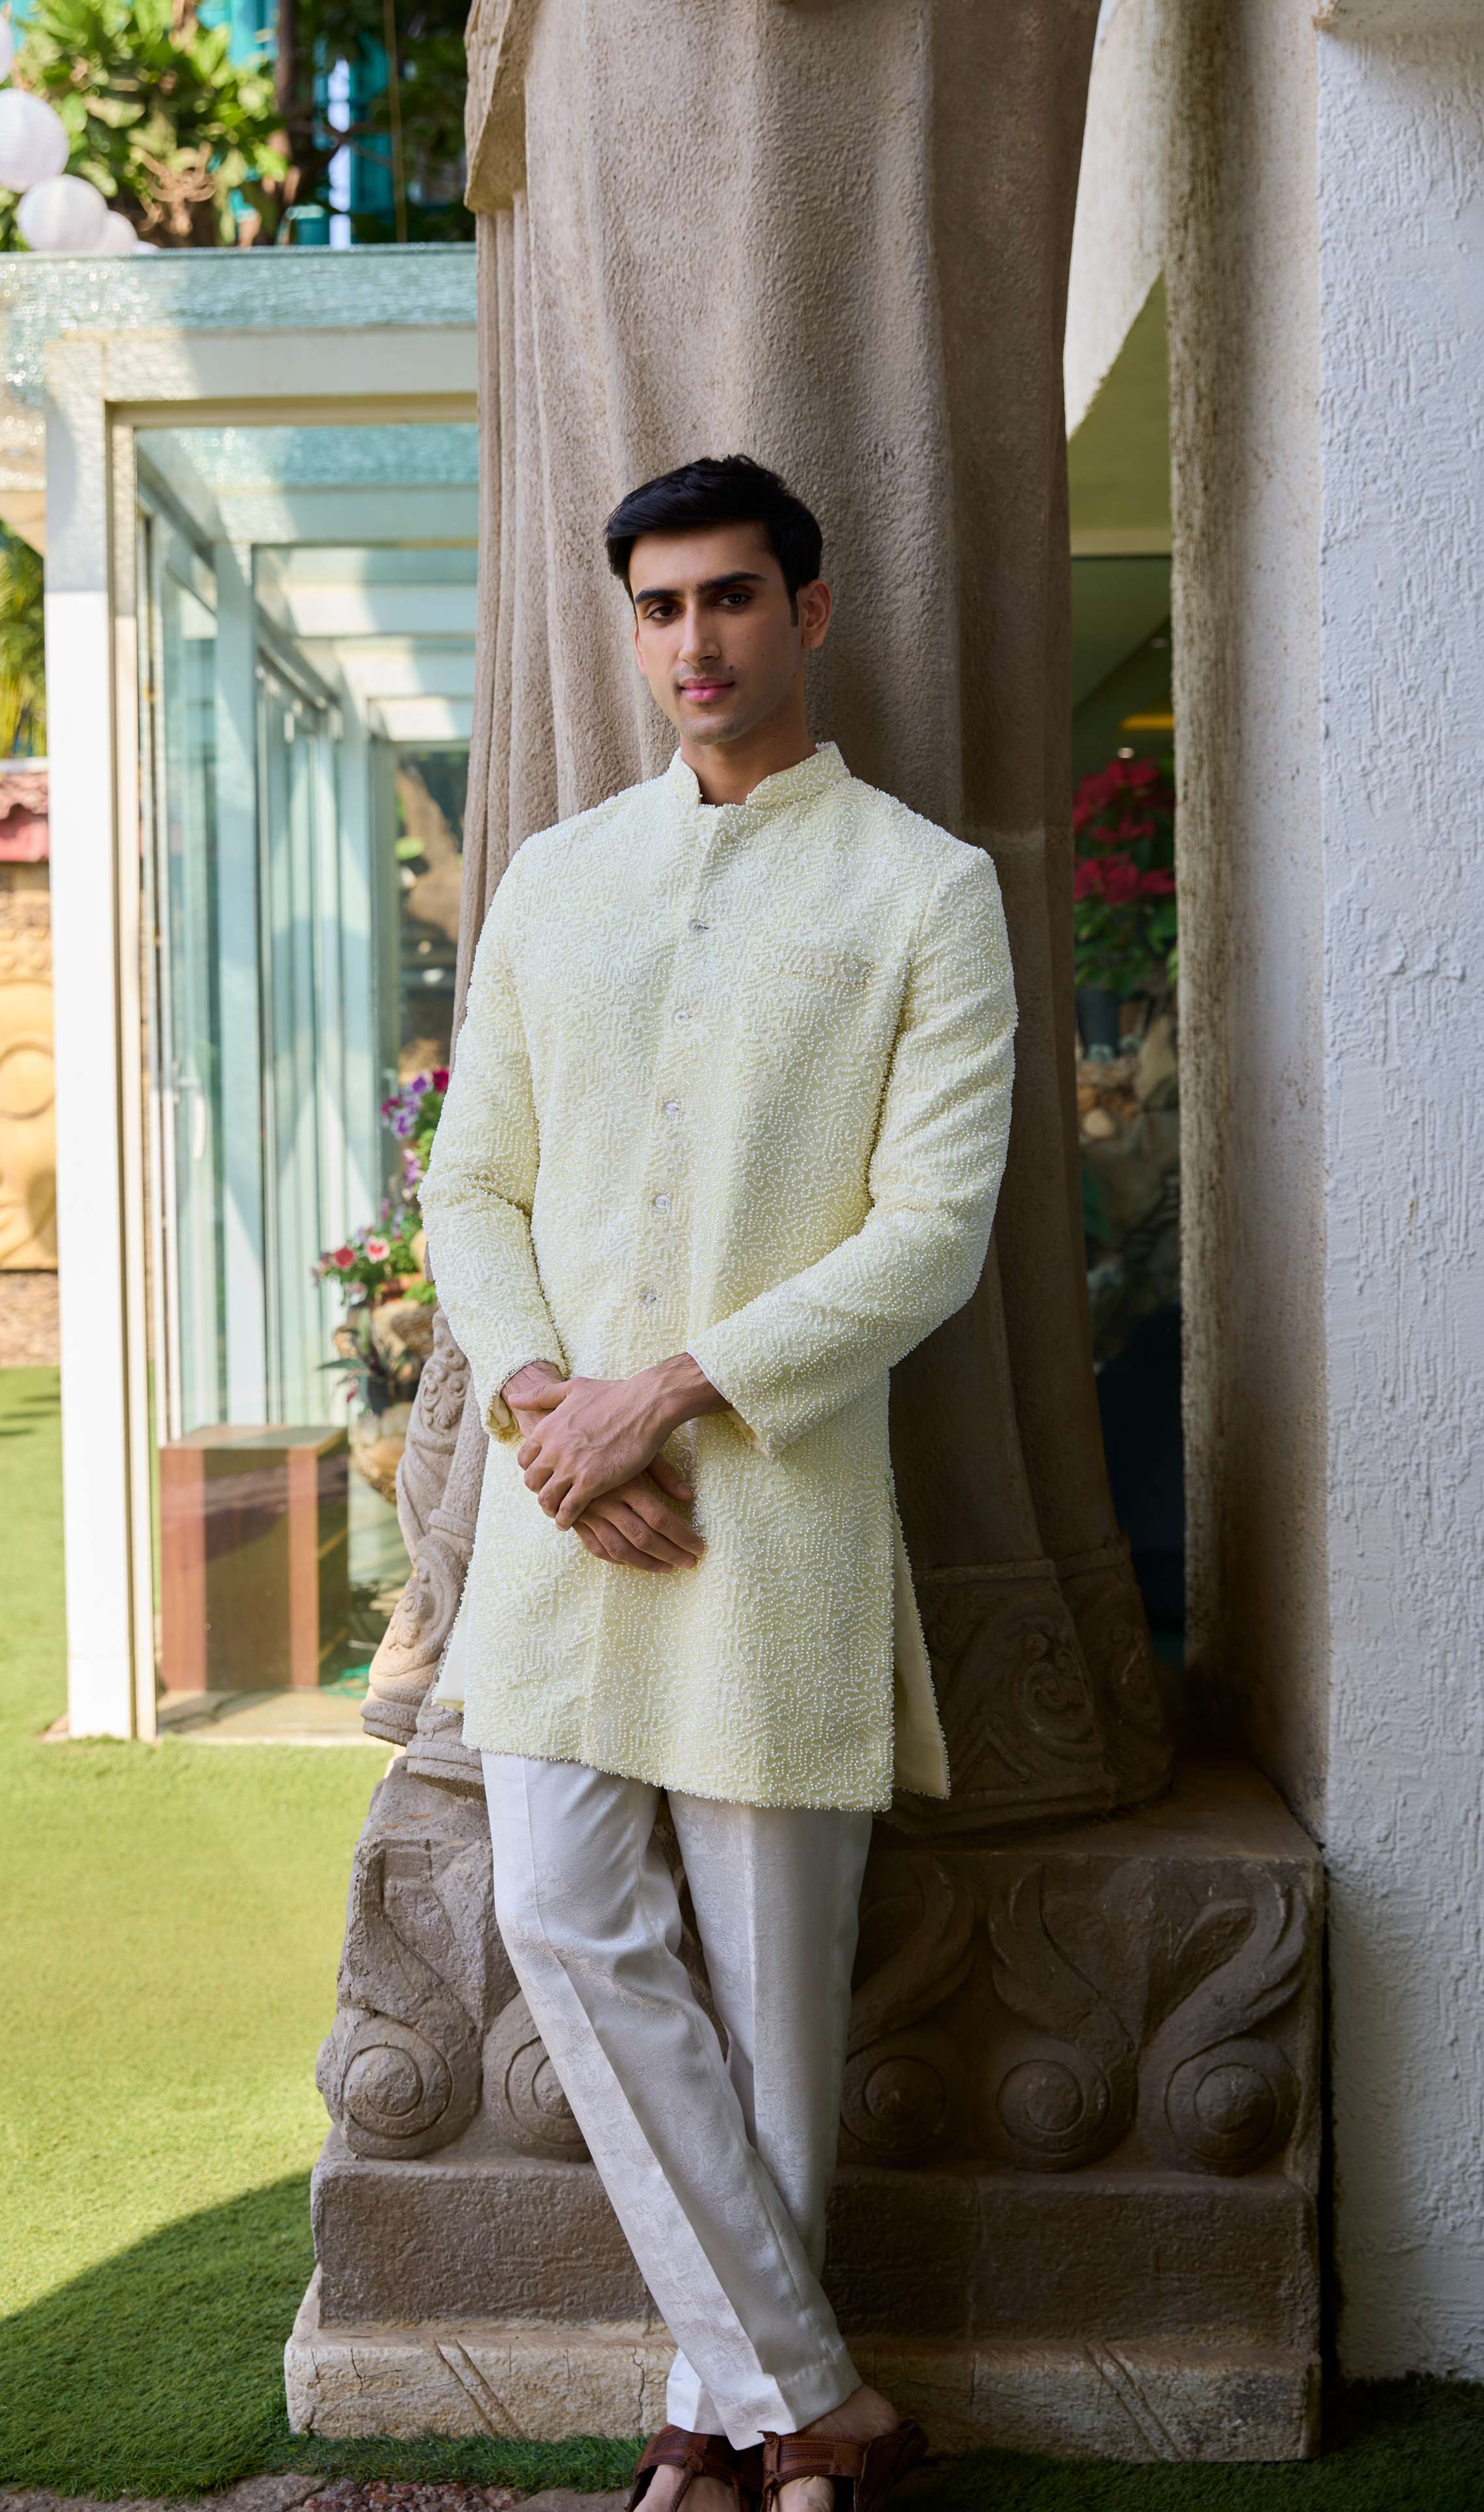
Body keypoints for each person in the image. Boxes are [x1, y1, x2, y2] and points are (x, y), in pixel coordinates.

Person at [420, 456, 1018, 2512]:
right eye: (660, 607)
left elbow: (928, 1236)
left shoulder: (924, 891)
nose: (696, 643)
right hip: (557, 1514)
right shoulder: (557, 878)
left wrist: (661, 1393)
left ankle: (726, 2417)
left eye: (732, 600)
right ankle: (820, 2405)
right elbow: (469, 1184)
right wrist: (543, 1409)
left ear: (811, 612)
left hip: (768, 1518)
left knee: (773, 2005)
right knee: (564, 1912)